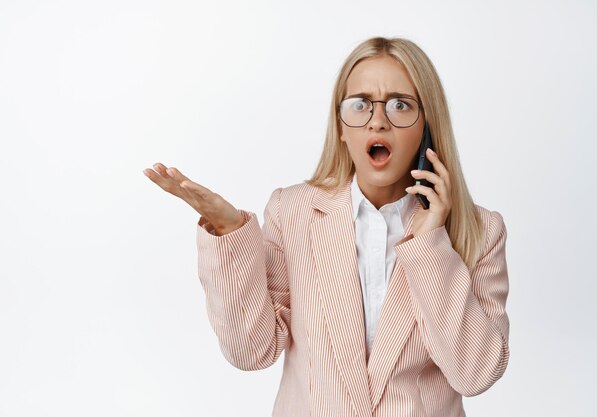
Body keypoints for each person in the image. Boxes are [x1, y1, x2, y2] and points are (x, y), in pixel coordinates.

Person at [143, 36, 510, 417]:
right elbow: (251, 351)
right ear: (341, 127)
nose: (378, 120)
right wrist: (228, 230)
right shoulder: (292, 212)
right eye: (361, 105)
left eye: (401, 105)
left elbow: (475, 373)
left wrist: (432, 245)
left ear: (427, 126)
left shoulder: (482, 231)